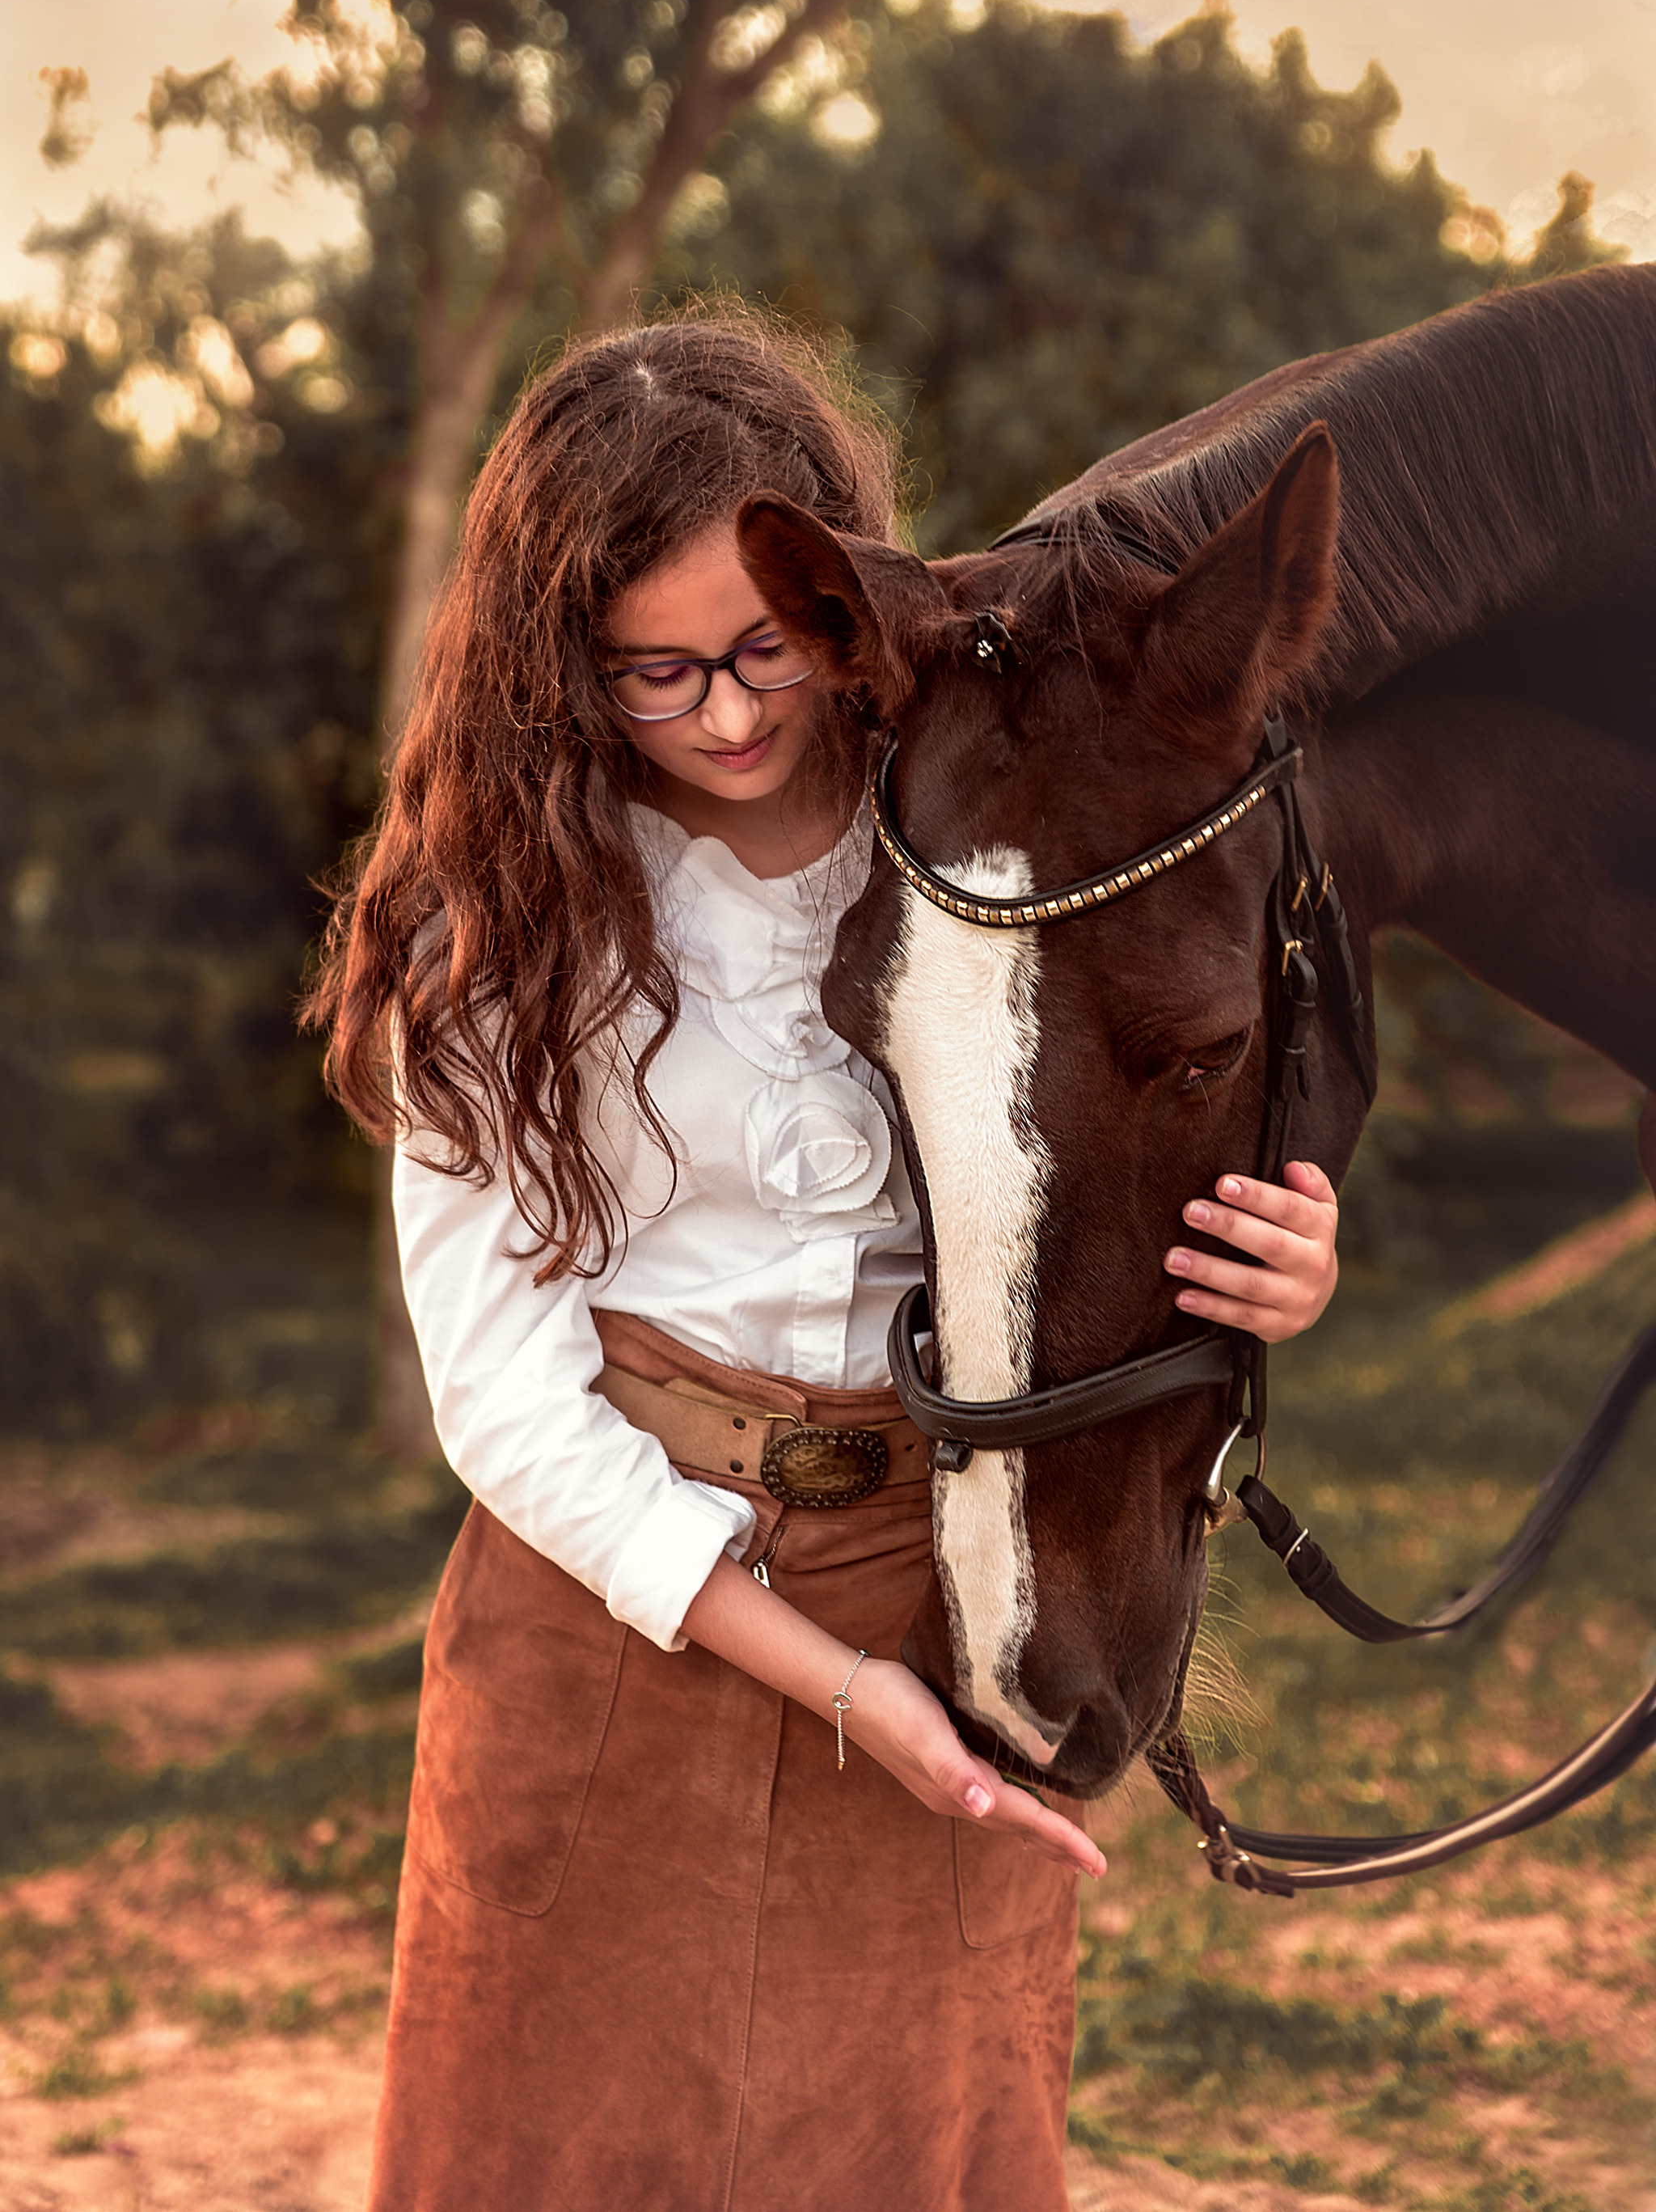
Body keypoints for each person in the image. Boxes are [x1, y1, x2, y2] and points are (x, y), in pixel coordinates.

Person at [310, 316, 1340, 2212]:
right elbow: (503, 1399)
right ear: (560, 667)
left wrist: (1277, 1257)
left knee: (902, 2154)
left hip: (923, 1577)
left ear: (834, 593)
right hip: (601, 1618)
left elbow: (1114, 1159)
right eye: (651, 673)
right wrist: (830, 1684)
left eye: (761, 646)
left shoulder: (973, 834)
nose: (721, 713)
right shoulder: (500, 908)